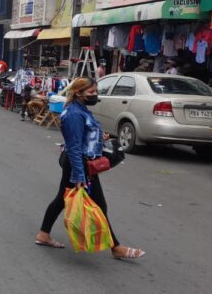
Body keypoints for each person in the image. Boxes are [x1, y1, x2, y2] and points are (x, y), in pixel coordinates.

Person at [35, 77, 145, 260]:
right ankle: (116, 247)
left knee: (62, 199)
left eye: (96, 92)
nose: (95, 95)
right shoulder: (73, 114)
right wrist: (79, 176)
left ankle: (43, 234)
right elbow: (74, 147)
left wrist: (98, 137)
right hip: (79, 165)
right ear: (79, 93)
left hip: (79, 164)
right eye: (91, 92)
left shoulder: (80, 109)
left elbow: (82, 137)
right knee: (99, 205)